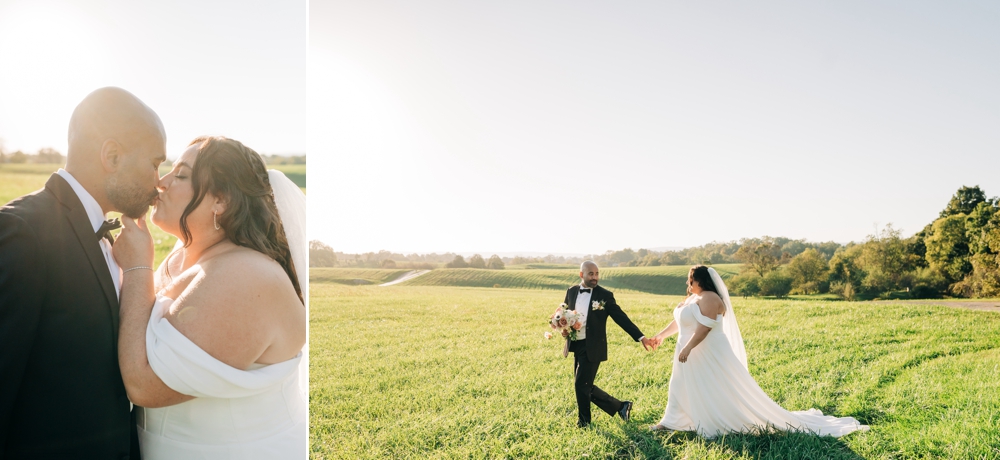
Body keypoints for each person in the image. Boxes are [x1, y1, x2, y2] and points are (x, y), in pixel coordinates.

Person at [112, 136, 307, 459]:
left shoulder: (247, 276)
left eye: (182, 175)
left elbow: (144, 384)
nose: (161, 182)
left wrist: (136, 267)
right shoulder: (183, 258)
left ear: (222, 201)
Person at [0, 87, 164, 458]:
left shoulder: (112, 239)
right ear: (112, 155)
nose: (159, 183)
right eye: (155, 164)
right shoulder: (22, 232)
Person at [648, 265, 868, 437]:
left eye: (691, 279)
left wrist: (687, 348)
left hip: (707, 351)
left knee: (712, 387)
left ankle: (714, 421)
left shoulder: (711, 298)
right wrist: (660, 336)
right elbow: (680, 323)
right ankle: (670, 422)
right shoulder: (693, 299)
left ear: (701, 280)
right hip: (688, 351)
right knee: (679, 385)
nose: (689, 283)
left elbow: (705, 328)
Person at [563, 261, 656, 428]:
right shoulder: (571, 291)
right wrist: (564, 329)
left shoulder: (604, 295)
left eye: (597, 273)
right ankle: (621, 406)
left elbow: (621, 318)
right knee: (584, 385)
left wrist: (641, 337)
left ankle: (584, 423)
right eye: (591, 274)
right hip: (577, 344)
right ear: (581, 274)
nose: (595, 277)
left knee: (581, 384)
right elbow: (565, 313)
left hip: (593, 346)